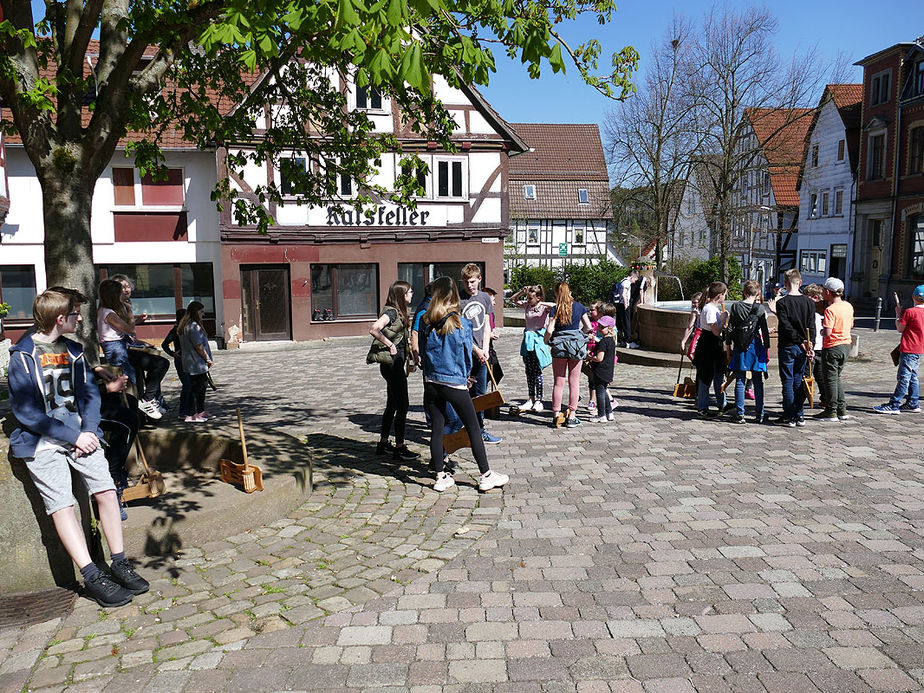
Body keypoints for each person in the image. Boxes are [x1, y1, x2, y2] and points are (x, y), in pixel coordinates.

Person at [8, 289, 149, 607]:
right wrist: (73, 437)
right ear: (60, 318)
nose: (80, 318)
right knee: (62, 505)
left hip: (81, 436)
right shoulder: (23, 356)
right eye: (75, 314)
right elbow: (27, 413)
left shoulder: (73, 350)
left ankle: (120, 562)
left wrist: (87, 430)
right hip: (42, 443)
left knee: (106, 491)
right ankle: (92, 575)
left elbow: (89, 395)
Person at [421, 277, 509, 493]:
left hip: (432, 382)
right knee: (474, 428)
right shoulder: (461, 324)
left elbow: (423, 354)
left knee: (437, 429)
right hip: (455, 383)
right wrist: (466, 377)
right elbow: (465, 358)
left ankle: (440, 476)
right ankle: (486, 475)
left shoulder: (426, 321)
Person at [368, 280, 420, 461]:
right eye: (410, 292)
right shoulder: (391, 312)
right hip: (391, 365)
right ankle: (399, 447)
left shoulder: (399, 311)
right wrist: (390, 344)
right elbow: (374, 329)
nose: (412, 294)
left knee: (392, 404)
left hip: (396, 364)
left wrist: (410, 359)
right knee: (403, 405)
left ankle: (383, 444)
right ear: (401, 294)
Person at [459, 264, 501, 444]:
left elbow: (486, 326)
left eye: (473, 281)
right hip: (465, 354)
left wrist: (484, 349)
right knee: (463, 393)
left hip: (482, 354)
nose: (470, 285)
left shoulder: (484, 298)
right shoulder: (458, 299)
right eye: (467, 282)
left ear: (479, 279)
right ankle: (463, 430)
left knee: (481, 394)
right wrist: (475, 350)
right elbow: (460, 330)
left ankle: (480, 429)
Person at [544, 281, 593, 428]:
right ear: (569, 291)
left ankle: (556, 415)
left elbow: (549, 330)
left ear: (556, 293)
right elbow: (588, 327)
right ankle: (571, 416)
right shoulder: (579, 307)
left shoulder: (555, 309)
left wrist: (547, 341)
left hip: (559, 347)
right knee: (574, 382)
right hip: (576, 347)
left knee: (558, 383)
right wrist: (578, 335)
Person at [774, 269, 816, 426]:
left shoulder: (782, 303)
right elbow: (811, 326)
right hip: (804, 345)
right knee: (798, 380)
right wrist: (810, 343)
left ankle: (789, 415)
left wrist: (801, 341)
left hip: (789, 345)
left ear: (785, 284)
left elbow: (785, 326)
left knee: (787, 381)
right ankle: (799, 414)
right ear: (800, 282)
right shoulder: (809, 303)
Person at [725, 281, 770, 424]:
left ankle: (740, 413)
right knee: (757, 381)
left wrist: (728, 346)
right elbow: (764, 330)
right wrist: (766, 348)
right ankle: (759, 413)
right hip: (755, 345)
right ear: (757, 293)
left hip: (740, 345)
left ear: (743, 292)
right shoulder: (760, 309)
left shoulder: (736, 306)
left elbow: (730, 328)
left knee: (740, 379)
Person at [875, 285, 924, 414]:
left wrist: (898, 314)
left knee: (904, 377)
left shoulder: (910, 312)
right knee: (913, 377)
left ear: (914, 296)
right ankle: (913, 403)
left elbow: (900, 328)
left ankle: (894, 404)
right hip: (919, 349)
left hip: (908, 348)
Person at [816, 277, 853, 421]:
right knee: (836, 377)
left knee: (830, 379)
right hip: (846, 345)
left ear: (827, 292)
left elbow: (828, 332)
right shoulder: (848, 306)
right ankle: (841, 409)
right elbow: (851, 325)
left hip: (832, 346)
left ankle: (831, 410)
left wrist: (821, 332)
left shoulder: (830, 310)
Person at [509, 285, 552, 411]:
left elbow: (556, 305)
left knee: (537, 371)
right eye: (527, 297)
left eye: (531, 298)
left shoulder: (544, 307)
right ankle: (530, 398)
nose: (528, 300)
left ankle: (539, 399)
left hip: (539, 341)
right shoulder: (527, 306)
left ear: (538, 298)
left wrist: (541, 303)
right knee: (528, 371)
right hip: (528, 340)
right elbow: (512, 300)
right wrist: (521, 292)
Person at [693, 282, 729, 417]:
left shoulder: (713, 308)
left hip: (714, 345)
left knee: (719, 374)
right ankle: (703, 406)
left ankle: (722, 404)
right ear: (720, 296)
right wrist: (723, 319)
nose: (725, 297)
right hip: (708, 344)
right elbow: (715, 330)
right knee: (706, 376)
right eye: (725, 295)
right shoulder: (709, 308)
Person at [177, 301, 213, 423]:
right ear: (195, 312)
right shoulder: (193, 326)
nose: (203, 314)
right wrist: (207, 359)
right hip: (196, 362)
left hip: (191, 362)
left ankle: (199, 411)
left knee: (200, 386)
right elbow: (198, 346)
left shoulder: (186, 325)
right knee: (196, 388)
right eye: (201, 311)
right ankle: (191, 414)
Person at [161, 309, 191, 418]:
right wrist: (172, 353)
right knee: (187, 385)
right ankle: (182, 411)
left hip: (190, 360)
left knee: (192, 385)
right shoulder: (175, 330)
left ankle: (191, 409)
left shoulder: (189, 329)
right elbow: (164, 344)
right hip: (180, 360)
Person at [803, 284, 828, 410]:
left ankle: (806, 398)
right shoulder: (822, 310)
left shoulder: (813, 310)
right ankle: (824, 398)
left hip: (815, 346)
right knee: (819, 375)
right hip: (820, 346)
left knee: (810, 374)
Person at [588, 315, 617, 422]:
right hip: (608, 371)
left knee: (599, 392)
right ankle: (609, 413)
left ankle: (601, 415)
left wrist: (589, 357)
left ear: (609, 328)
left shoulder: (603, 342)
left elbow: (599, 358)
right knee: (603, 391)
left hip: (600, 371)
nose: (599, 328)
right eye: (599, 326)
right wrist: (596, 340)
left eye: (602, 327)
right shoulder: (610, 341)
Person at [680, 292, 703, 358]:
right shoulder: (695, 311)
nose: (693, 304)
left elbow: (690, 326)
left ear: (700, 302)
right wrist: (683, 341)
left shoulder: (697, 311)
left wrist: (683, 341)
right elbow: (690, 326)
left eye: (695, 302)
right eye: (692, 302)